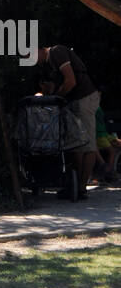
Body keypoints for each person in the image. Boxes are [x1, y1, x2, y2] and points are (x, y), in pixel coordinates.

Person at [35, 42, 99, 198]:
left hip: (84, 99)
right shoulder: (48, 64)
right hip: (74, 102)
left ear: (39, 49)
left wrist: (57, 97)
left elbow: (71, 81)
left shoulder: (56, 52)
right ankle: (76, 185)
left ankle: (82, 187)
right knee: (75, 144)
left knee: (87, 144)